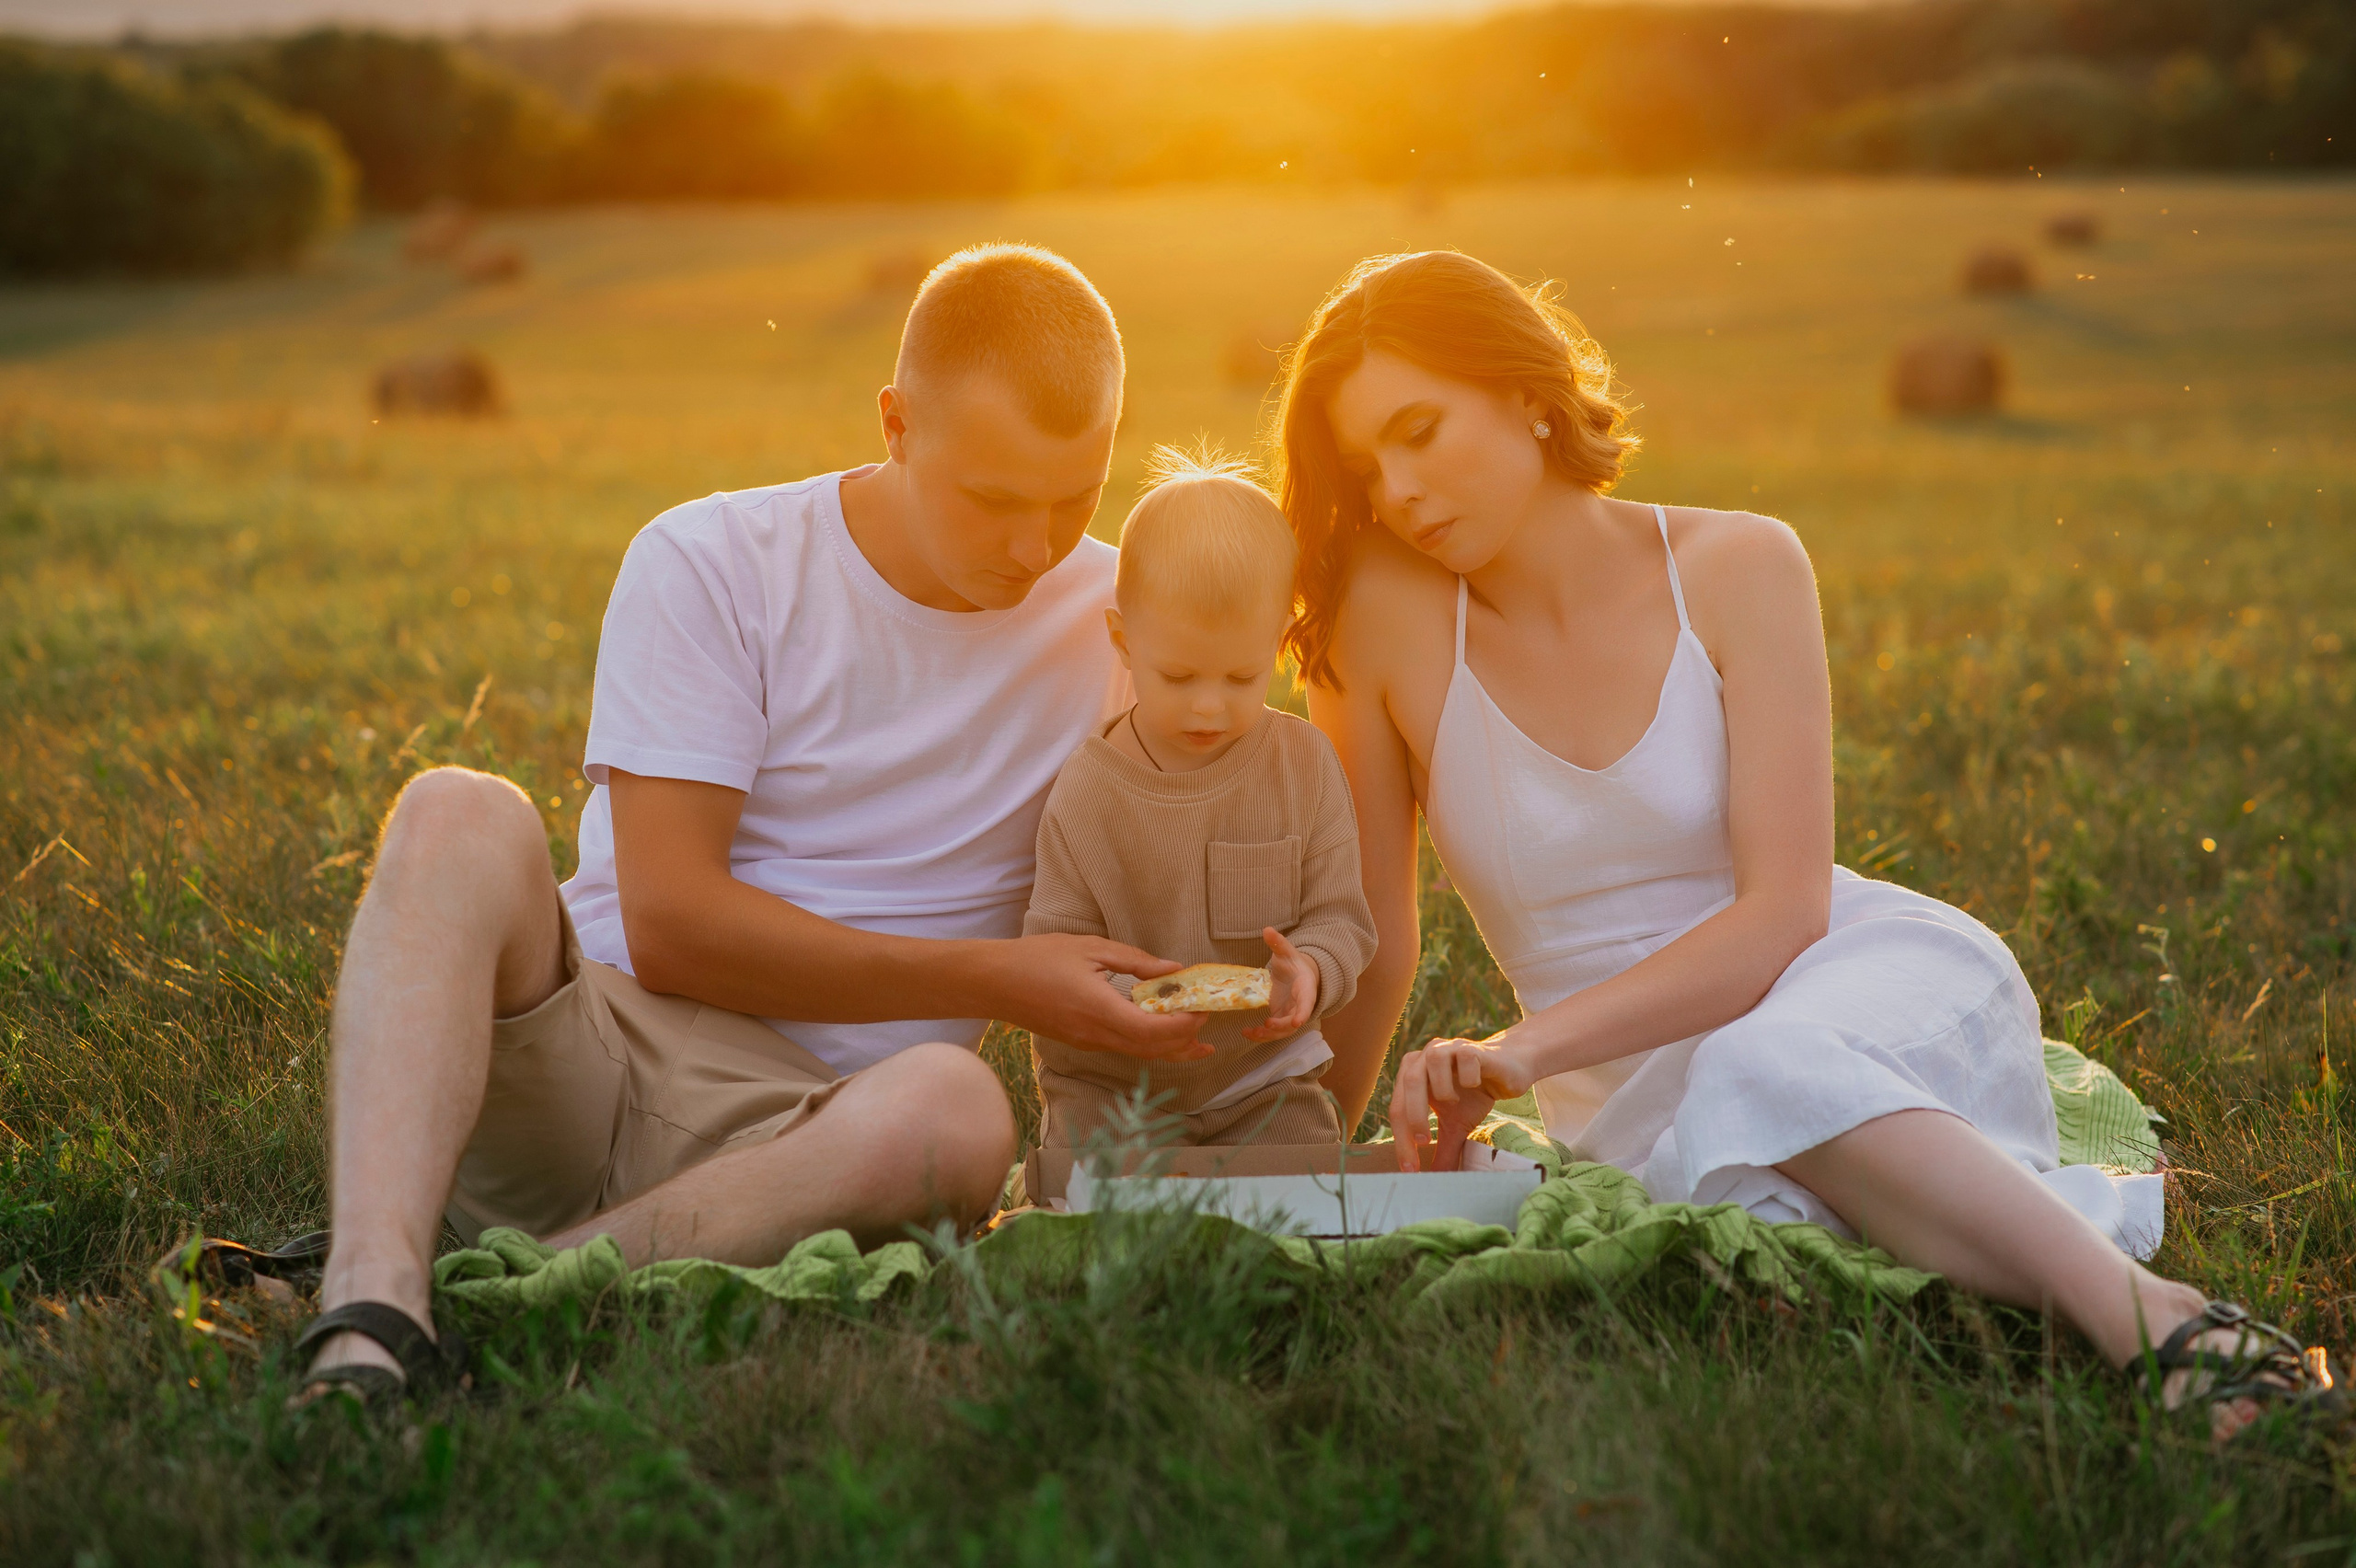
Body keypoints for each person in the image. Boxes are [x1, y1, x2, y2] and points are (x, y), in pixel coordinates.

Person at [1274, 248, 2337, 1440]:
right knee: (1775, 1251)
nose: (1401, 488)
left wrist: (1521, 1050)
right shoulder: (1380, 624)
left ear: (1524, 388)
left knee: (1763, 1071)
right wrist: (1298, 1160)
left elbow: (1781, 917)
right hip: (1628, 1108)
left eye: (1420, 429)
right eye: (1369, 466)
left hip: (1843, 983)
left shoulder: (1739, 565)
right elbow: (1377, 932)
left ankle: (2171, 1327)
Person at [294, 244, 1211, 1403]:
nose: (1034, 551)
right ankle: (367, 1300)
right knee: (454, 811)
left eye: (1072, 498)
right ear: (895, 423)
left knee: (957, 1104)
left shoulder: (1126, 627)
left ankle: (503, 1304)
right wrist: (1007, 976)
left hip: (809, 1143)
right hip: (585, 1060)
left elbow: (1178, 881)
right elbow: (672, 923)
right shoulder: (714, 559)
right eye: (991, 499)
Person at [1022, 449, 1378, 1151]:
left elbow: (1340, 918)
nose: (1209, 706)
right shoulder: (1089, 791)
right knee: (1092, 1197)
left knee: (1307, 1184)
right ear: (1124, 641)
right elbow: (1057, 948)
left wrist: (1308, 969)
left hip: (1258, 1079)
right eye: (1178, 675)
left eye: (1242, 676)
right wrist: (1124, 1010)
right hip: (1113, 1087)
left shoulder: (1302, 765)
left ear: (1278, 645)